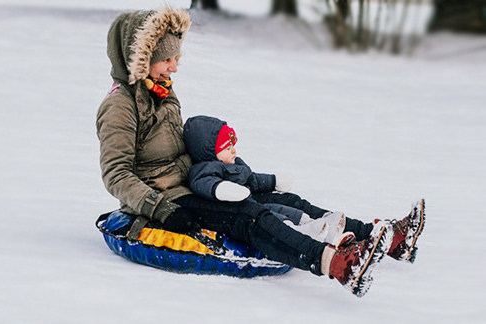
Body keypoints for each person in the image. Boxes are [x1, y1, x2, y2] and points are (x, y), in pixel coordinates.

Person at [96, 6, 425, 298]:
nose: (174, 68)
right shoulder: (120, 107)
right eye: (167, 60)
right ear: (142, 57)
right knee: (250, 215)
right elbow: (117, 174)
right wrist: (162, 210)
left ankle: (384, 238)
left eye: (176, 59)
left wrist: (220, 165)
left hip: (196, 183)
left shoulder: (163, 93)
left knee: (286, 201)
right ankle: (336, 264)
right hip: (167, 198)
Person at [183, 115, 356, 247]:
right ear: (210, 152)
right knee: (273, 214)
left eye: (233, 145)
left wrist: (273, 181)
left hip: (251, 202)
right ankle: (300, 232)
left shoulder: (236, 164)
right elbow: (202, 184)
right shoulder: (204, 168)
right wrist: (221, 189)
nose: (234, 151)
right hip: (238, 211)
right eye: (228, 148)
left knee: (286, 207)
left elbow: (253, 179)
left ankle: (320, 227)